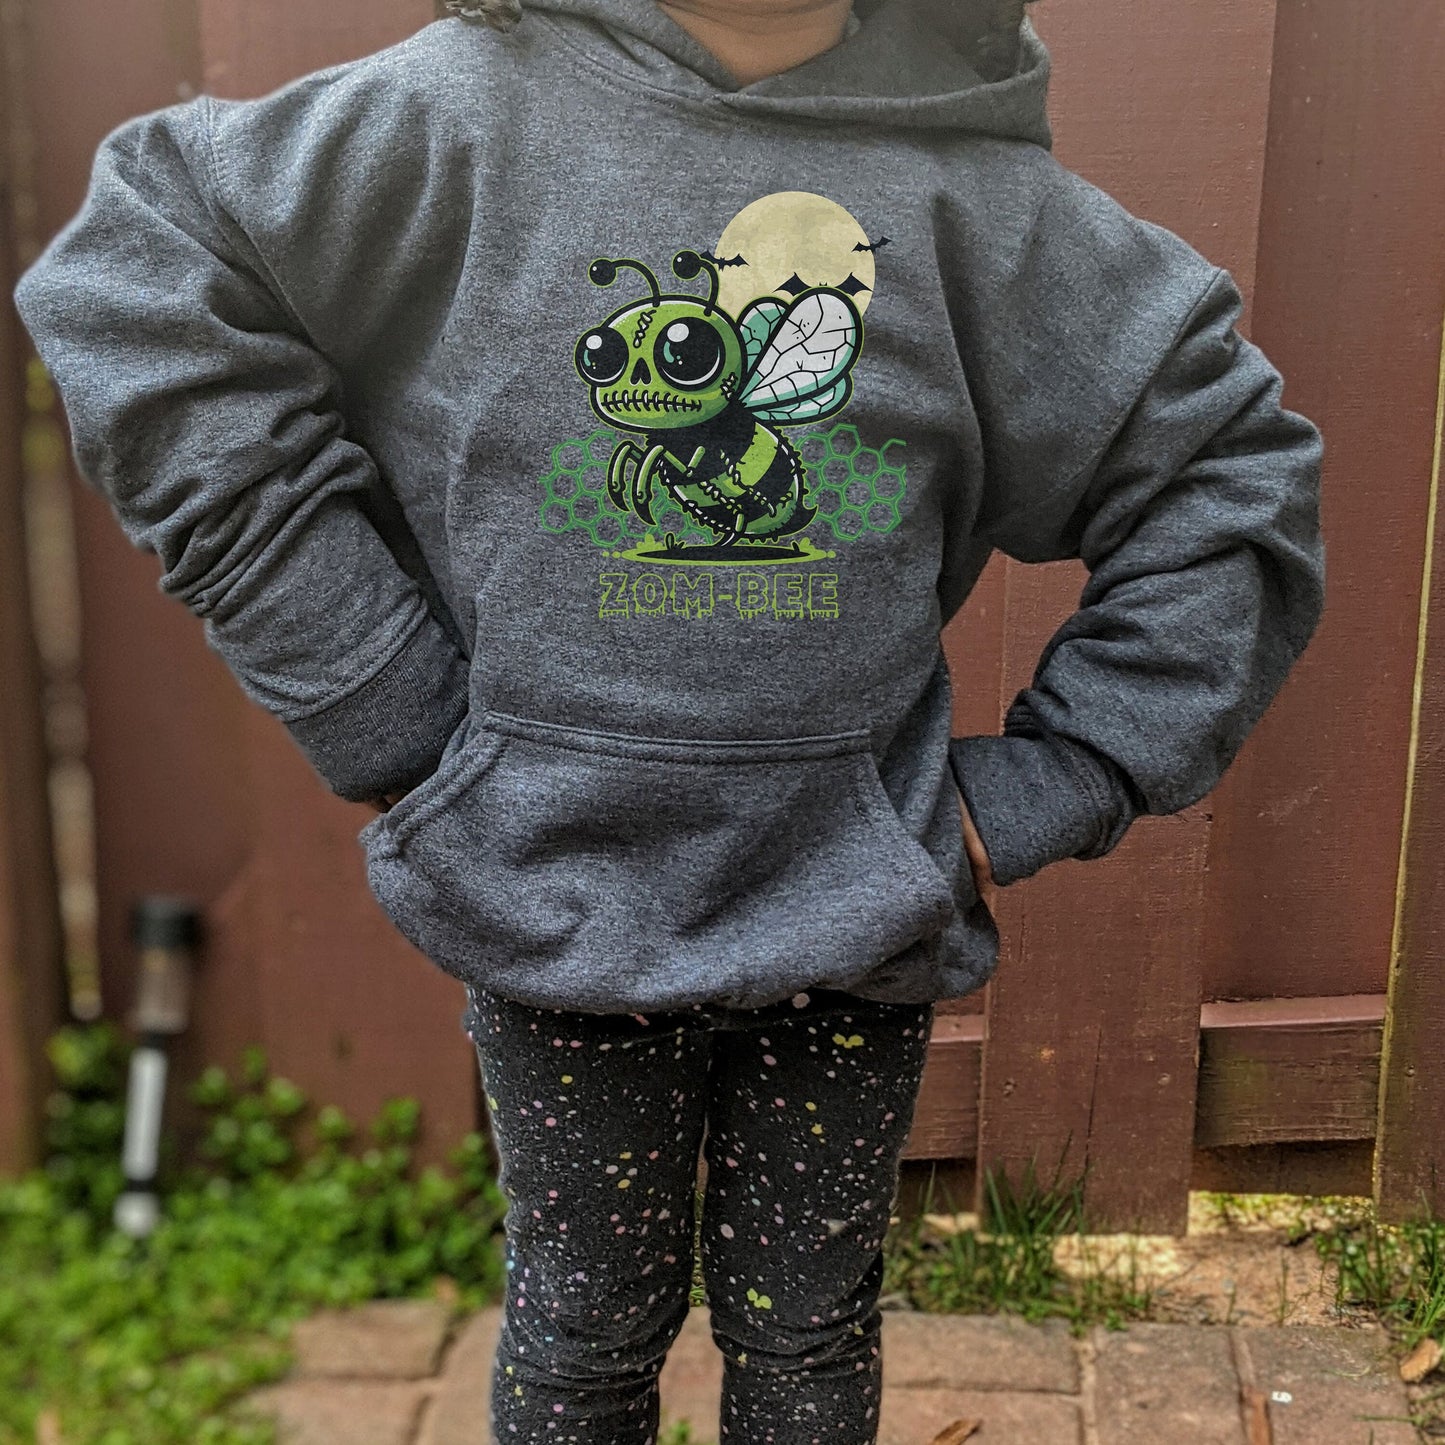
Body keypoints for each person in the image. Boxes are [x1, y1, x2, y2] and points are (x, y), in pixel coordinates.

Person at [13, 1, 1326, 1440]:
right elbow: (137, 265)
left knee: (810, 1339)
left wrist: (1050, 781)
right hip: (553, 893)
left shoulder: (973, 202)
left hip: (858, 907)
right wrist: (375, 693)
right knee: (579, 1335)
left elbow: (1227, 475)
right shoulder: (451, 121)